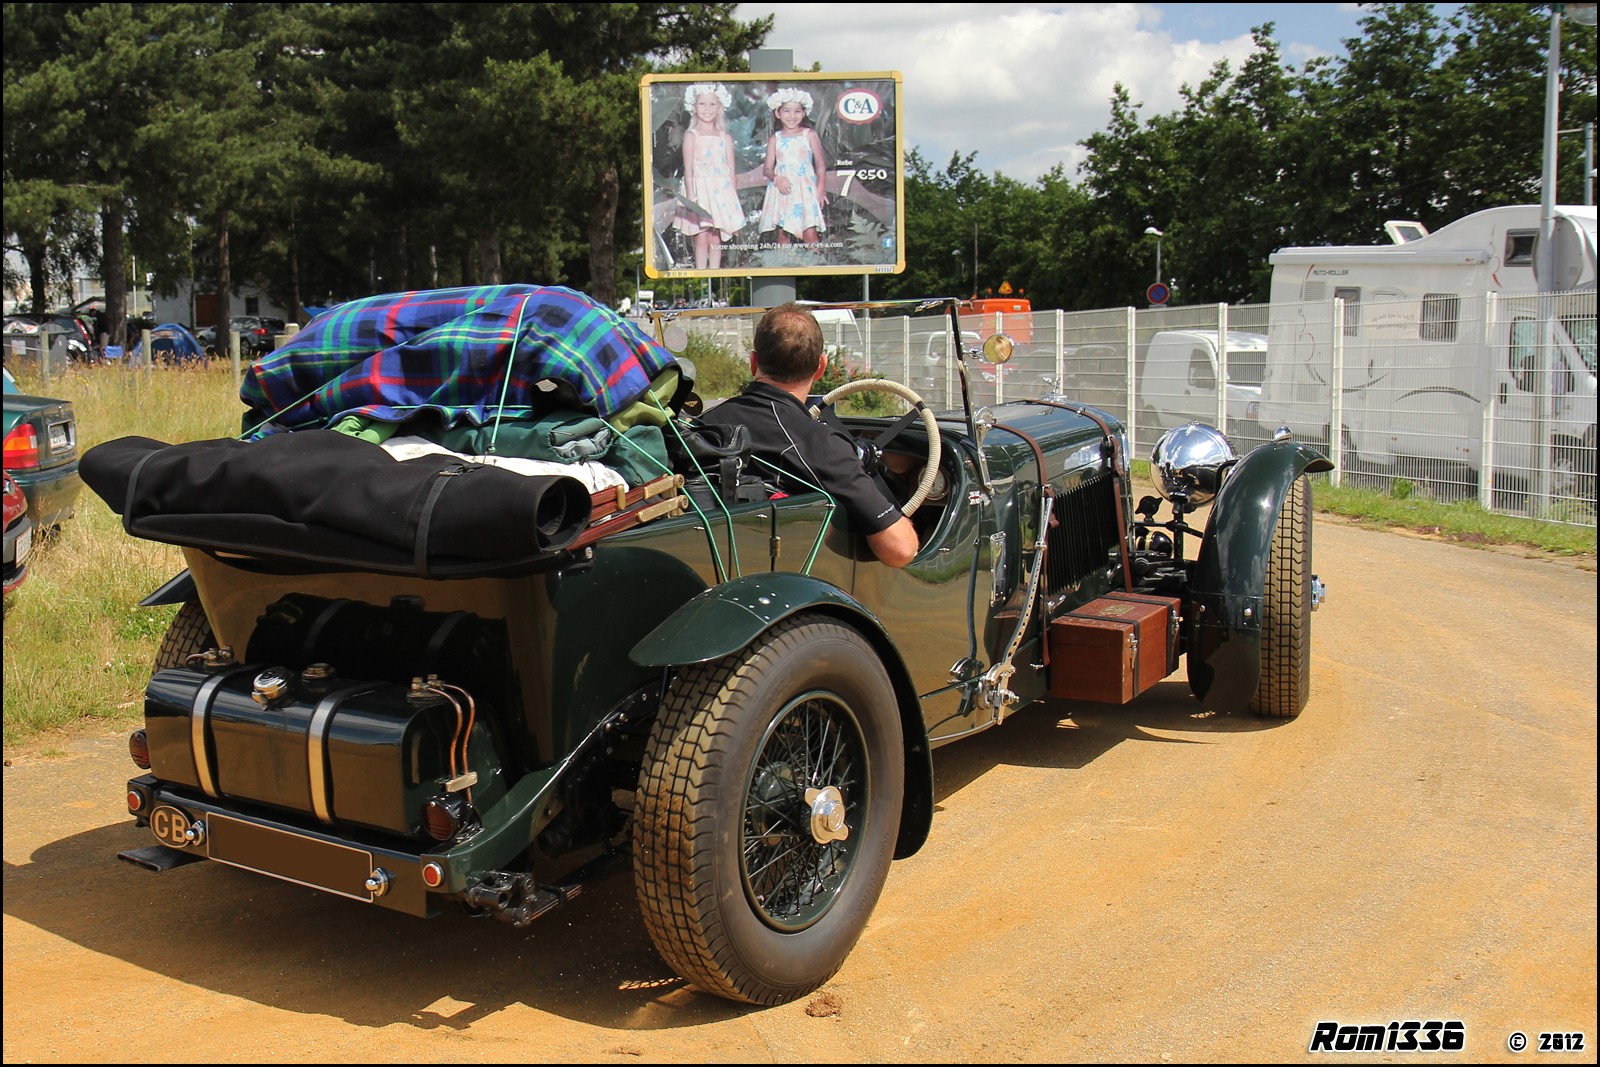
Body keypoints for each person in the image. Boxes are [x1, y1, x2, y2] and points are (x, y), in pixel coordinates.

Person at [701, 303, 919, 568]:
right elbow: (901, 550)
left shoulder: (704, 424)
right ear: (821, 367)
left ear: (754, 362)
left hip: (712, 559)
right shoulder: (819, 444)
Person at [672, 82, 747, 269]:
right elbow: (688, 168)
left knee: (716, 234)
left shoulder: (725, 137)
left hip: (721, 192)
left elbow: (731, 170)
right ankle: (700, 270)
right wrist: (691, 196)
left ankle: (714, 271)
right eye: (702, 104)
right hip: (700, 189)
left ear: (720, 107)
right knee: (702, 234)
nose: (707, 109)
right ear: (694, 108)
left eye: (712, 104)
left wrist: (732, 200)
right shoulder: (691, 135)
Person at [758, 87, 827, 245]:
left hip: (805, 190)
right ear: (778, 113)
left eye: (797, 111)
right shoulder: (775, 138)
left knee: (809, 232)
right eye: (787, 111)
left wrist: (821, 188)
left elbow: (821, 164)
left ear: (803, 113)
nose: (792, 116)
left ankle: (816, 265)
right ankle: (785, 266)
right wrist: (776, 178)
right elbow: (767, 168)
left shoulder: (809, 135)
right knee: (784, 233)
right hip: (784, 190)